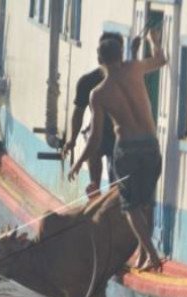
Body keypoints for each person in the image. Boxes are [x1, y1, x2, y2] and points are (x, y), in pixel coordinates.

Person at [68, 27, 167, 272]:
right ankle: (144, 256)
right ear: (120, 54)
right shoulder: (134, 68)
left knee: (131, 207)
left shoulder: (98, 93)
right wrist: (155, 42)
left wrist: (79, 161)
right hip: (151, 144)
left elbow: (96, 137)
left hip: (127, 149)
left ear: (100, 60)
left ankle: (151, 255)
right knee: (146, 202)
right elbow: (161, 60)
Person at [62, 32, 124, 198]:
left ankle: (112, 199)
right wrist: (72, 140)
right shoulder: (88, 82)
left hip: (120, 136)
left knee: (115, 178)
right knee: (93, 146)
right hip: (100, 131)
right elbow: (79, 112)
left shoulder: (128, 80)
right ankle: (95, 192)